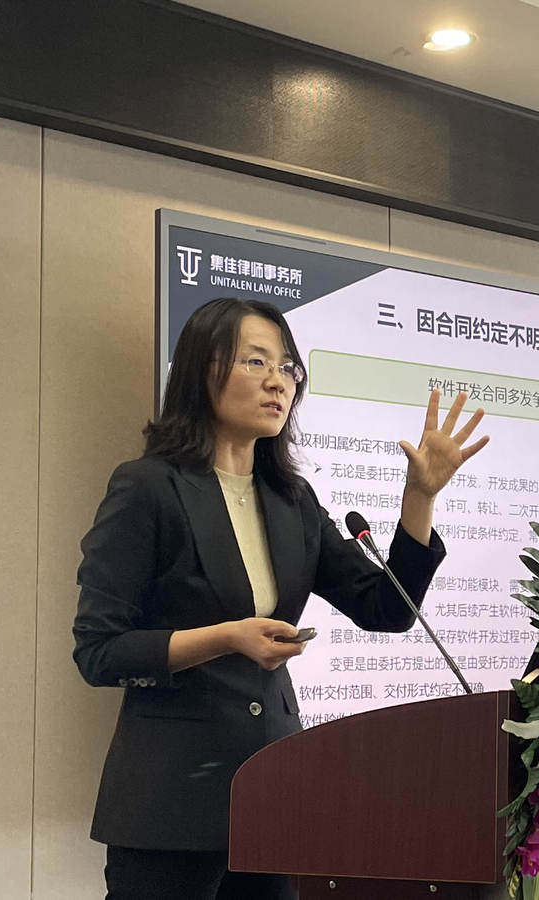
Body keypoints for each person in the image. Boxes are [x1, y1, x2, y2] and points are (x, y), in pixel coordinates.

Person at [72, 297, 488, 900]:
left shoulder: (292, 500)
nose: (278, 381)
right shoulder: (149, 488)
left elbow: (388, 609)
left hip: (272, 794)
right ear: (203, 371)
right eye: (256, 361)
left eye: (288, 367)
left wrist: (419, 498)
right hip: (169, 806)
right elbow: (99, 650)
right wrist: (226, 637)